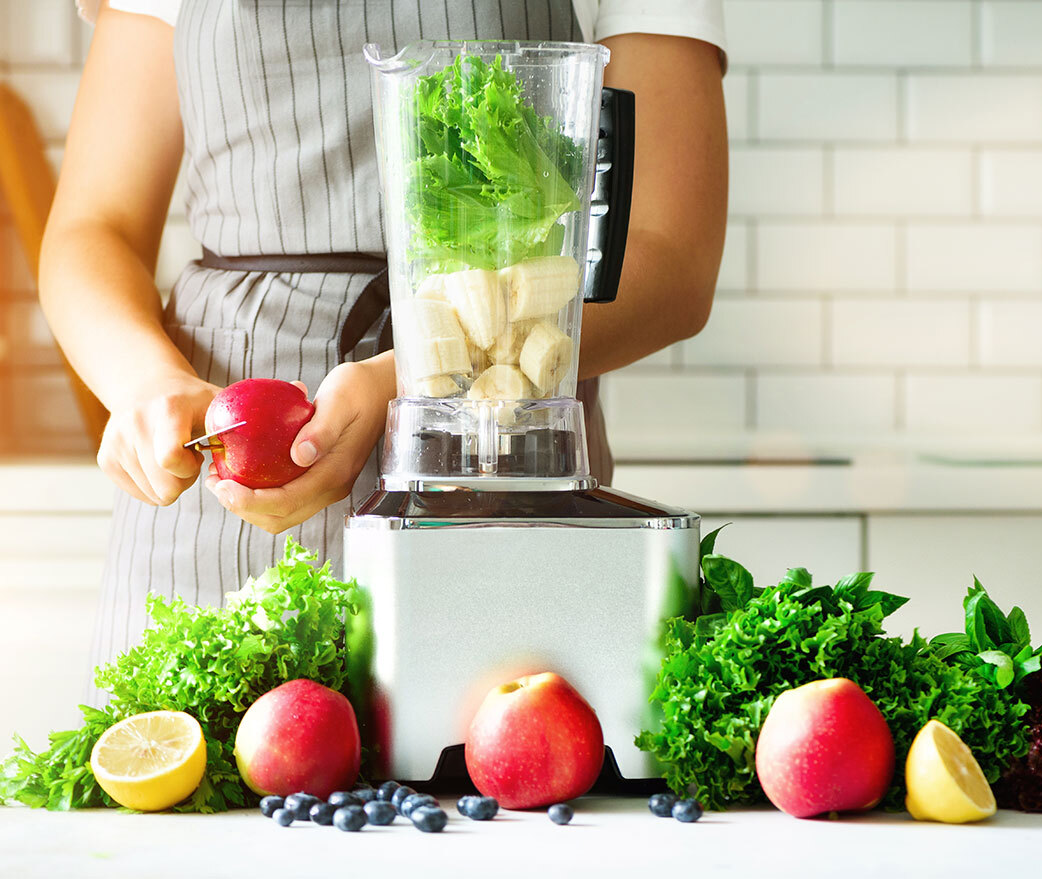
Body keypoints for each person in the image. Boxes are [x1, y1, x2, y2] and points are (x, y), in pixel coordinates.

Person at [42, 0, 729, 675]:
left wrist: (413, 376)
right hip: (213, 509)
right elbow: (94, 228)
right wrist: (148, 382)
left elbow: (670, 258)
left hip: (500, 464)